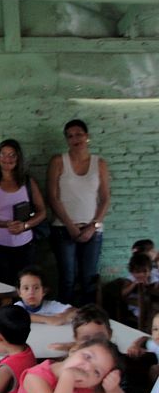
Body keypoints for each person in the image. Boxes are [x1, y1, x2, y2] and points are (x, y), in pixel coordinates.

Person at [47, 119, 111, 305]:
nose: (75, 139)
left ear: (87, 137)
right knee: (67, 278)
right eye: (70, 136)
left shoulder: (99, 163)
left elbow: (106, 198)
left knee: (89, 279)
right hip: (63, 228)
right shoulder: (59, 161)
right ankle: (64, 320)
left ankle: (89, 321)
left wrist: (93, 226)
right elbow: (52, 197)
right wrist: (70, 226)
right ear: (66, 140)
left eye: (79, 134)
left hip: (93, 230)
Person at [0, 139, 47, 286]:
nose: (7, 159)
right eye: (3, 155)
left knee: (22, 289)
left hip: (25, 247)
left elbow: (42, 212)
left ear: (18, 158)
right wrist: (4, 224)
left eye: (12, 155)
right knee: (1, 290)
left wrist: (25, 225)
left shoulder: (28, 182)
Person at [13, 337, 126, 393]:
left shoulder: (85, 385)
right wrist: (68, 377)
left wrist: (112, 389)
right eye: (87, 357)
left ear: (97, 382)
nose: (87, 368)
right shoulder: (35, 378)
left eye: (97, 372)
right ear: (73, 350)